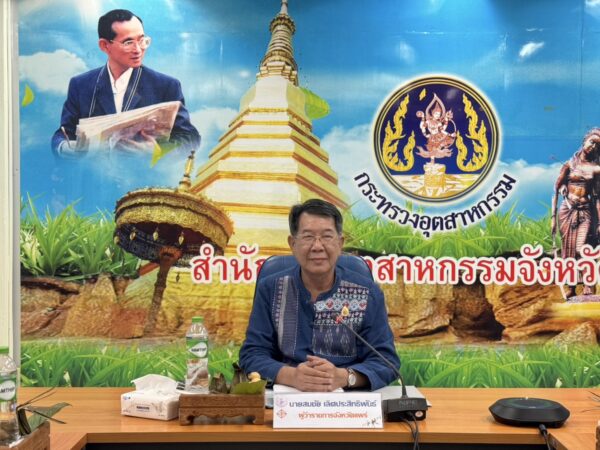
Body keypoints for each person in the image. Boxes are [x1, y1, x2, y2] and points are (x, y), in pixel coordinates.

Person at [239, 199, 400, 391]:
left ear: (340, 244)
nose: (317, 246)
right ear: (293, 244)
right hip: (286, 396)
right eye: (308, 237)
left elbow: (386, 361)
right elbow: (251, 354)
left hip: (347, 398)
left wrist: (344, 377)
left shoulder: (367, 292)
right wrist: (291, 376)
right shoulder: (270, 289)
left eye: (326, 236)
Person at [51, 9, 200, 156]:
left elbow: (190, 137)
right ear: (104, 45)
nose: (138, 50)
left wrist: (157, 151)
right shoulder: (81, 85)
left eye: (142, 40)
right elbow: (64, 133)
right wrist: (66, 148)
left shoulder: (166, 86)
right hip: (93, 170)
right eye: (128, 42)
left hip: (143, 171)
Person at [552, 127, 600, 298]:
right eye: (592, 142)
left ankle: (588, 285)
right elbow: (556, 189)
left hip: (585, 210)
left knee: (583, 247)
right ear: (585, 141)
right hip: (567, 210)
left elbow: (598, 197)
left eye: (598, 145)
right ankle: (571, 287)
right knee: (568, 249)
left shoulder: (596, 169)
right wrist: (552, 218)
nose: (593, 147)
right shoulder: (569, 164)